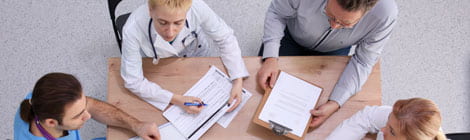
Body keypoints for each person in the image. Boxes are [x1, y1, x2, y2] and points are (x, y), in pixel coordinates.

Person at [257, 0, 398, 128]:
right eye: (328, 14)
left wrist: (335, 103)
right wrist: (270, 57)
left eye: (345, 24)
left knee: (322, 104)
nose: (334, 25)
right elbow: (277, 13)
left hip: (336, 49)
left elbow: (363, 61)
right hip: (291, 36)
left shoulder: (385, 14)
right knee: (261, 95)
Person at [121, 0, 248, 114]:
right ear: (150, 10)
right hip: (159, 67)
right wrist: (177, 100)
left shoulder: (197, 6)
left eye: (178, 22)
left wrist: (237, 79)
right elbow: (133, 81)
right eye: (162, 22)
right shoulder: (132, 28)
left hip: (195, 55)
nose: (170, 32)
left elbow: (225, 38)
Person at [14, 73, 160, 140]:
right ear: (51, 122)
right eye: (78, 115)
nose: (88, 116)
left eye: (83, 107)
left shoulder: (37, 99)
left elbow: (91, 105)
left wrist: (136, 125)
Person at [326, 98, 446, 140]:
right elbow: (367, 116)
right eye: (388, 120)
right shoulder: (403, 119)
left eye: (392, 132)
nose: (382, 130)